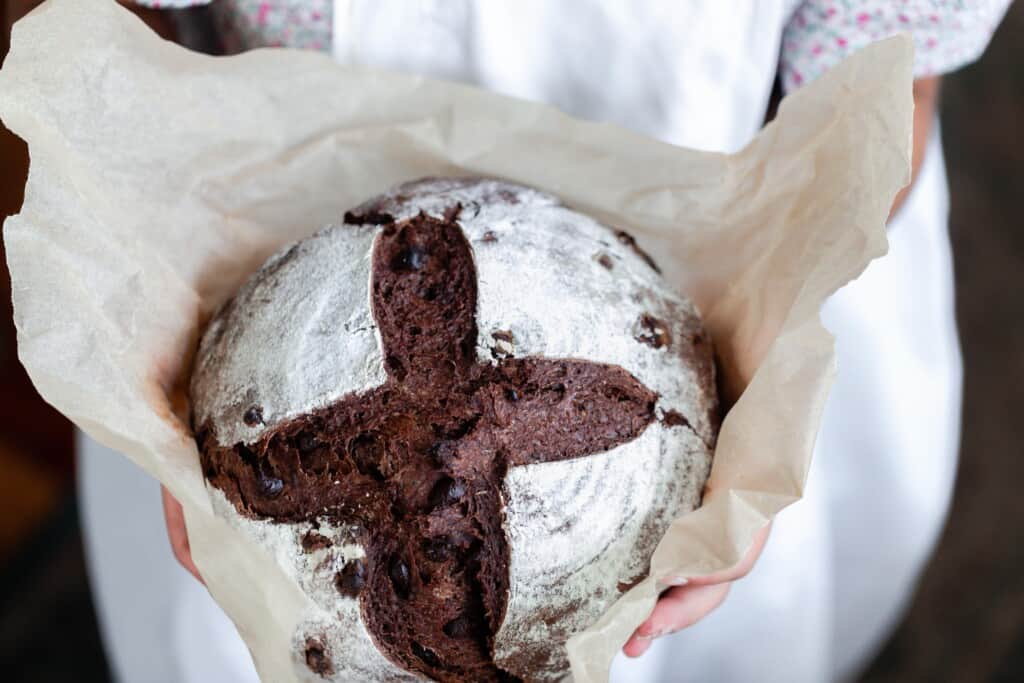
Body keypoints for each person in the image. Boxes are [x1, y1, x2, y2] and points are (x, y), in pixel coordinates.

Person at [40, 1, 1007, 681]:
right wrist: (166, 334)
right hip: (254, 298)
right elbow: (128, 44)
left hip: (727, 326)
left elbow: (876, 109)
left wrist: (762, 369)